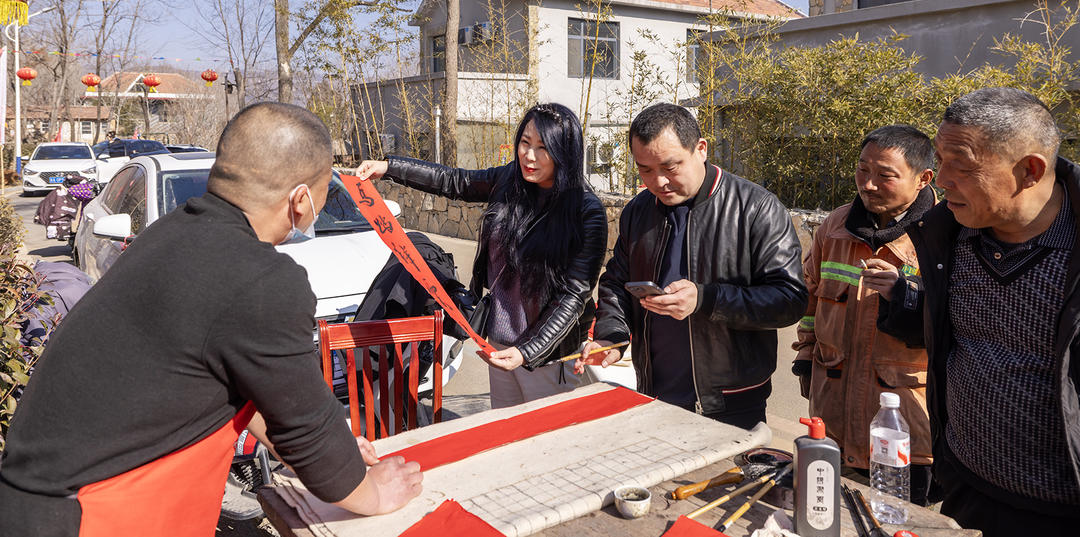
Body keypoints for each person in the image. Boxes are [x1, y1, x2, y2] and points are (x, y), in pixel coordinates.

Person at [0, 103, 422, 537]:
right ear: (300, 200)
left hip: (34, 498)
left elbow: (265, 393)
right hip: (88, 513)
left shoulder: (172, 235)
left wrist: (333, 450)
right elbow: (306, 428)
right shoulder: (261, 277)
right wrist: (370, 490)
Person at [899, 88, 1080, 536]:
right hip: (967, 488)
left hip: (1064, 510)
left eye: (960, 166)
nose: (941, 179)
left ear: (1029, 171)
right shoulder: (949, 237)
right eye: (941, 161)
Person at [356, 103, 607, 409]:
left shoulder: (585, 210)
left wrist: (528, 351)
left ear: (565, 151)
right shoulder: (510, 180)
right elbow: (453, 181)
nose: (529, 156)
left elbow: (574, 295)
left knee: (543, 444)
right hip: (497, 344)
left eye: (543, 148)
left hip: (546, 356)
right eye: (525, 143)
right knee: (504, 437)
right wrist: (389, 168)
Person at [576, 103, 807, 429]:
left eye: (670, 167)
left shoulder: (756, 208)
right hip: (653, 390)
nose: (658, 182)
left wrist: (706, 299)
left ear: (700, 149)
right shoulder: (639, 211)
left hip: (730, 400)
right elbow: (617, 281)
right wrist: (610, 338)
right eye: (644, 169)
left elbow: (789, 299)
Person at [792, 125, 935, 502]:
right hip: (832, 417)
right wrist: (806, 355)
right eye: (862, 170)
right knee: (827, 514)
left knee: (895, 519)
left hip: (903, 426)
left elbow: (956, 326)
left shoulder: (945, 236)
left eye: (885, 175)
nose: (868, 184)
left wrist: (905, 296)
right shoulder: (834, 228)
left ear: (923, 178)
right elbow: (811, 300)